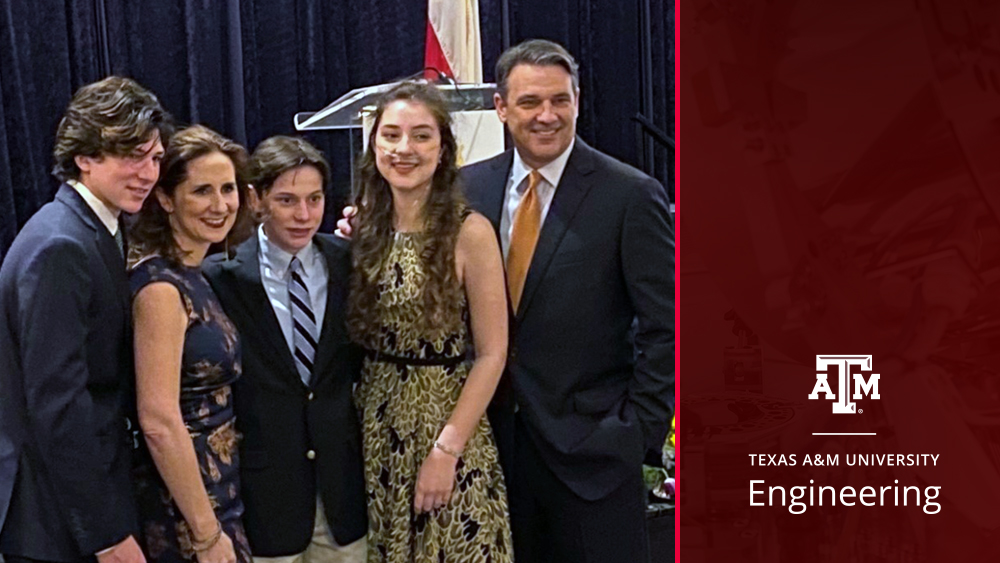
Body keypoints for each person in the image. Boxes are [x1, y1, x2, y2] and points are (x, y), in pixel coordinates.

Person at [0, 76, 170, 563]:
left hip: (74, 506)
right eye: (131, 156)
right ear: (85, 156)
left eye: (155, 158)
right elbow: (59, 406)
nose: (147, 172)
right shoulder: (61, 245)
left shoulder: (96, 227)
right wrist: (107, 535)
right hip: (54, 521)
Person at [348, 82, 511, 563]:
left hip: (446, 425)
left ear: (443, 150)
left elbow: (493, 353)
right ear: (374, 144)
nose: (404, 149)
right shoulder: (363, 229)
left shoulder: (469, 231)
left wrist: (446, 450)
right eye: (391, 135)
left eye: (421, 136)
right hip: (375, 428)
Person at [202, 136, 368, 563]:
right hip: (266, 499)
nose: (304, 215)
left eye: (314, 199)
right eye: (287, 200)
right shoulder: (220, 278)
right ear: (256, 199)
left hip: (342, 498)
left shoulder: (347, 261)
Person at [128, 125, 254, 563]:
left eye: (228, 189)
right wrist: (205, 534)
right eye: (202, 191)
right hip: (184, 518)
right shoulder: (160, 288)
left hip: (217, 502)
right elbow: (159, 420)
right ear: (165, 199)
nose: (220, 206)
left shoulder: (193, 274)